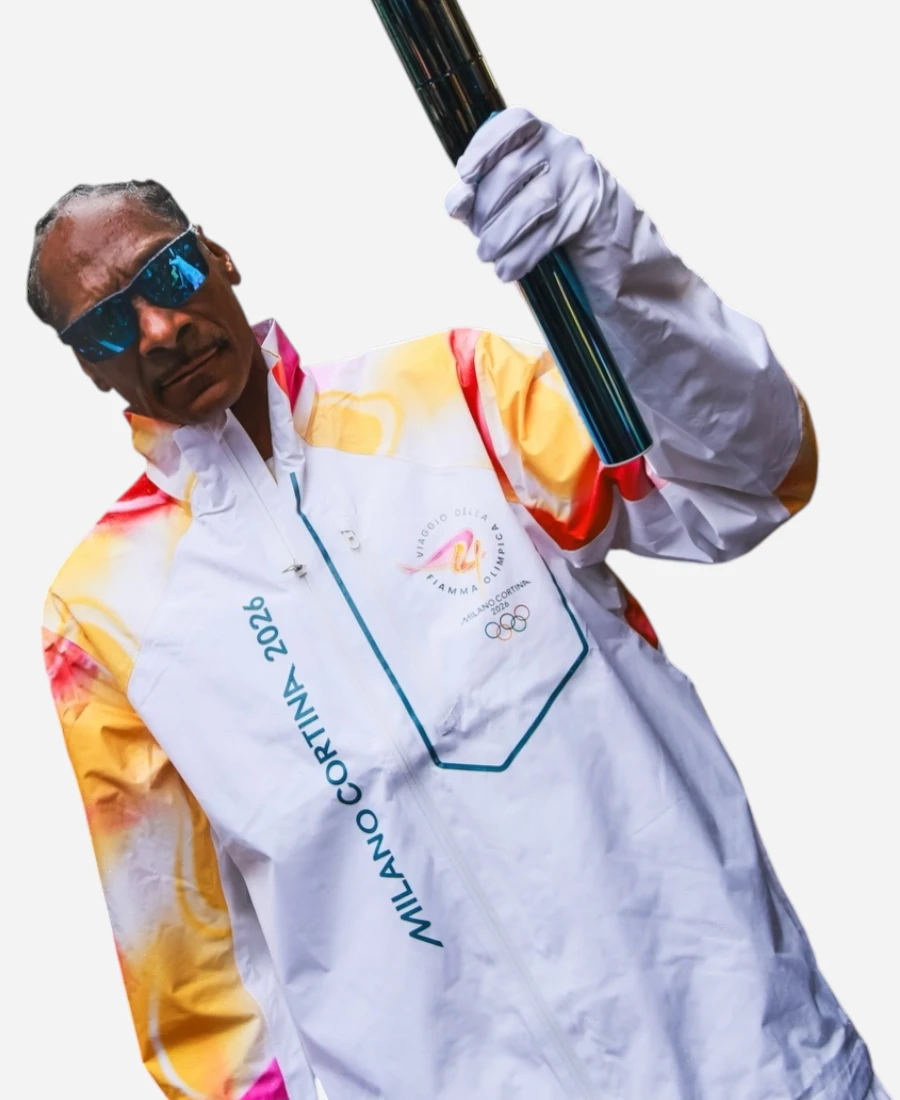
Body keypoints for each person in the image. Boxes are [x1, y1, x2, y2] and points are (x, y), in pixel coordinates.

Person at [31, 106, 889, 1100]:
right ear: (89, 365)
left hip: (749, 1063)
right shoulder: (101, 615)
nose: (158, 327)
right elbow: (199, 991)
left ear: (217, 255)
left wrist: (615, 264)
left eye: (169, 274)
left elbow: (745, 481)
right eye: (108, 325)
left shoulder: (454, 395)